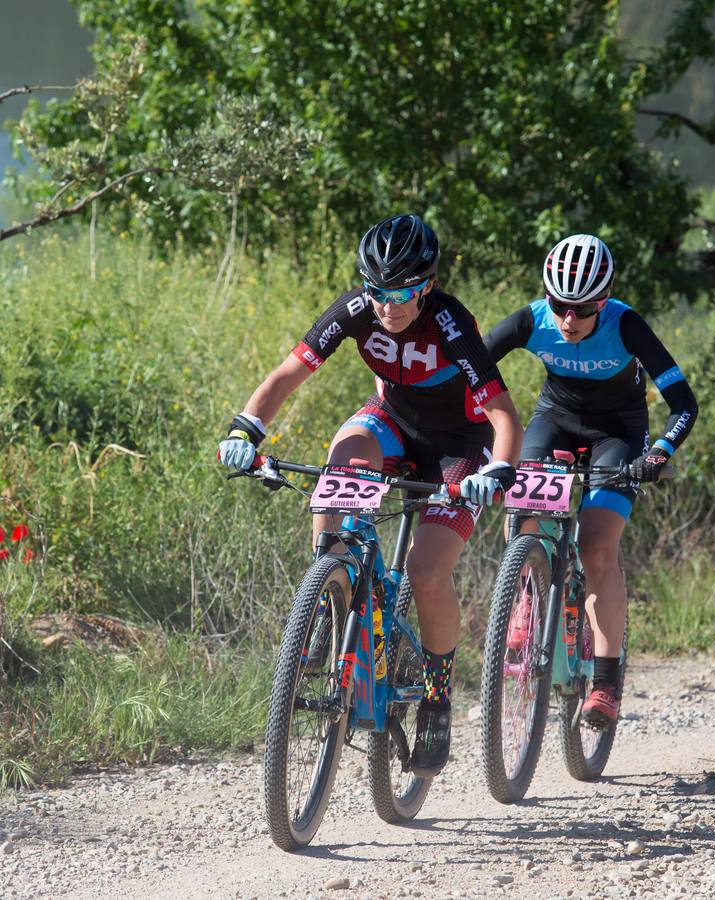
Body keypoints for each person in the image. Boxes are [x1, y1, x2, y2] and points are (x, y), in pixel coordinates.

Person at [217, 214, 523, 777]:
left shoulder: (451, 323)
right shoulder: (357, 309)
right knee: (346, 453)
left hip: (460, 446)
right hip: (391, 421)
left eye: (402, 292)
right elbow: (287, 374)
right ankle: (329, 588)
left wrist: (499, 470)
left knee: (426, 571)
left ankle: (435, 698)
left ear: (426, 284)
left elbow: (503, 413)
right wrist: (245, 431)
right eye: (378, 290)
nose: (388, 305)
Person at [485, 233, 698, 729]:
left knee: (597, 546)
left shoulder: (627, 325)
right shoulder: (531, 319)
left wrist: (660, 451)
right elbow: (468, 366)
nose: (568, 320)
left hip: (618, 433)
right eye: (559, 305)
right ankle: (523, 596)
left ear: (602, 302)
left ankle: (604, 681)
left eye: (581, 309)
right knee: (523, 517)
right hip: (554, 417)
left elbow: (684, 404)